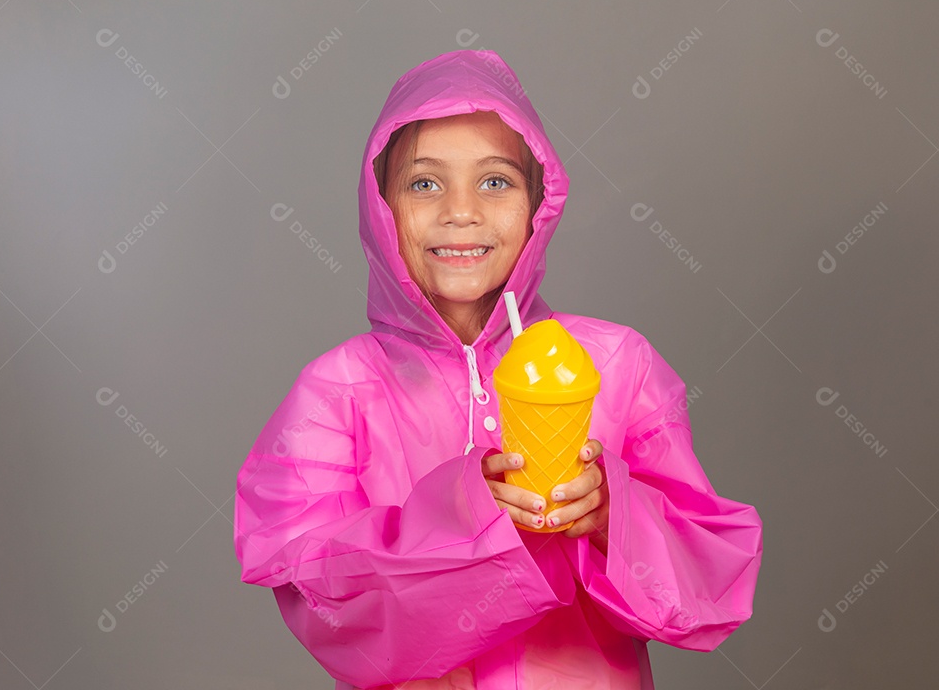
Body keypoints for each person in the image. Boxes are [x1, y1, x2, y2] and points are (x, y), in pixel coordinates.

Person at [234, 48, 762, 689]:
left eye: (495, 181)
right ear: (382, 210)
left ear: (539, 205)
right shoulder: (337, 392)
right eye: (424, 183)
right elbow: (319, 597)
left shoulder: (616, 364)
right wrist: (458, 516)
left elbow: (709, 581)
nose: (462, 211)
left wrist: (610, 516)